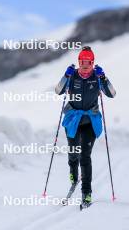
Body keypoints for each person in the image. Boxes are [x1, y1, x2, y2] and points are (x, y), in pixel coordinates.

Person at [55, 46, 116, 207]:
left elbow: (112, 93)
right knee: (73, 154)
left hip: (90, 121)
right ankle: (73, 177)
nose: (85, 65)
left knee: (84, 156)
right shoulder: (72, 76)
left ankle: (86, 193)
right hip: (73, 120)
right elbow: (58, 91)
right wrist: (65, 75)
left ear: (92, 62)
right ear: (79, 62)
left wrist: (103, 78)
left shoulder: (96, 77)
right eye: (82, 61)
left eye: (88, 62)